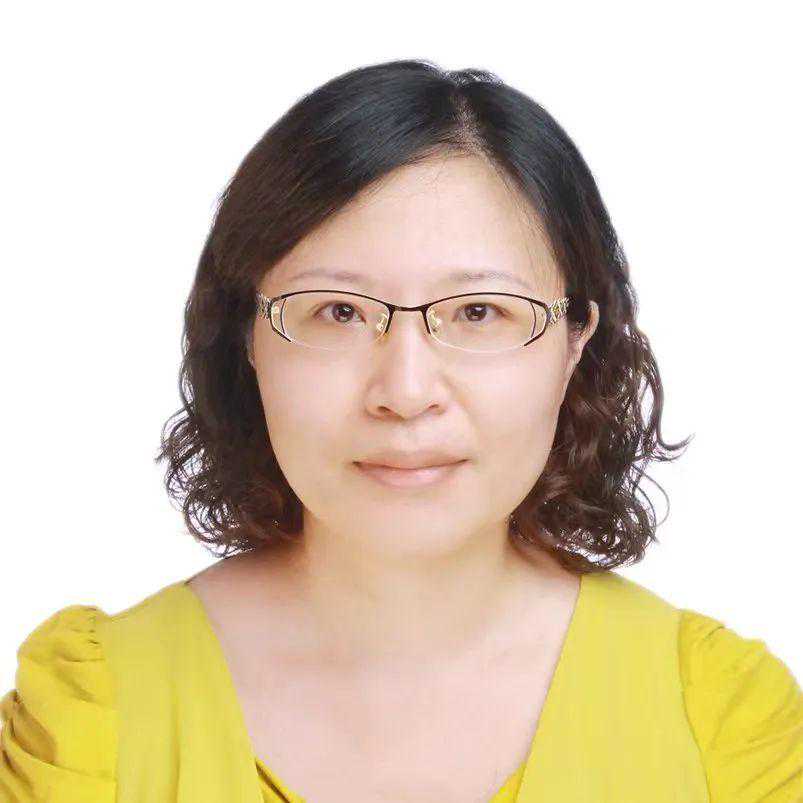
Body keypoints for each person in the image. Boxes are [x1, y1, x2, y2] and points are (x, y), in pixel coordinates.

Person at [1, 58, 801, 803]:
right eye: (337, 312)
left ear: (573, 344)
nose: (406, 391)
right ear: (245, 337)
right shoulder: (92, 716)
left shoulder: (720, 723)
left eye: (478, 311)